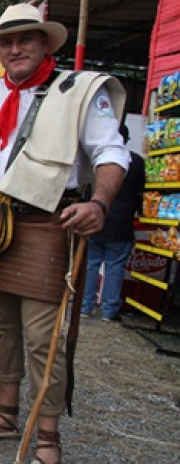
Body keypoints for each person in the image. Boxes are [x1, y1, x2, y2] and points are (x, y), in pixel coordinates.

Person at [0, 3, 129, 464]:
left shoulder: (79, 91)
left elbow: (111, 151)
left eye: (25, 40)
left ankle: (49, 445)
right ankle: (5, 414)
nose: (14, 49)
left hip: (49, 223)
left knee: (44, 340)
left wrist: (99, 203)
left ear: (46, 44)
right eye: (6, 42)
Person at [80, 125, 144, 321]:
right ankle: (109, 310)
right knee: (115, 267)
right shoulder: (137, 162)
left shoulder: (97, 161)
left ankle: (85, 306)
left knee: (90, 264)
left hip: (96, 218)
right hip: (122, 223)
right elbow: (141, 191)